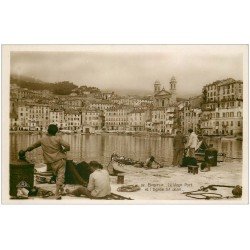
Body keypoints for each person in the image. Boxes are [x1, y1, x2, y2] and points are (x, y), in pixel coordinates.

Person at [19, 124, 70, 200]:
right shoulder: (58, 139)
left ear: (48, 130)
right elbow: (68, 146)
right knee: (60, 176)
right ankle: (57, 193)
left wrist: (25, 150)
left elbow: (32, 146)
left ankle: (61, 190)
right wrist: (63, 150)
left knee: (57, 176)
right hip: (60, 160)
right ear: (56, 132)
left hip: (50, 161)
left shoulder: (42, 140)